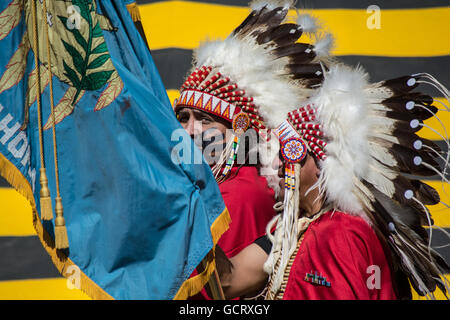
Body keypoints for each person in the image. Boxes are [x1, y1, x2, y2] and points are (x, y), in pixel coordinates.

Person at [217, 62, 450, 300]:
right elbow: (228, 281)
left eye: (287, 152)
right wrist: (190, 202)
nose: (276, 164)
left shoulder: (341, 232)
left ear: (322, 164)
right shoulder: (292, 229)